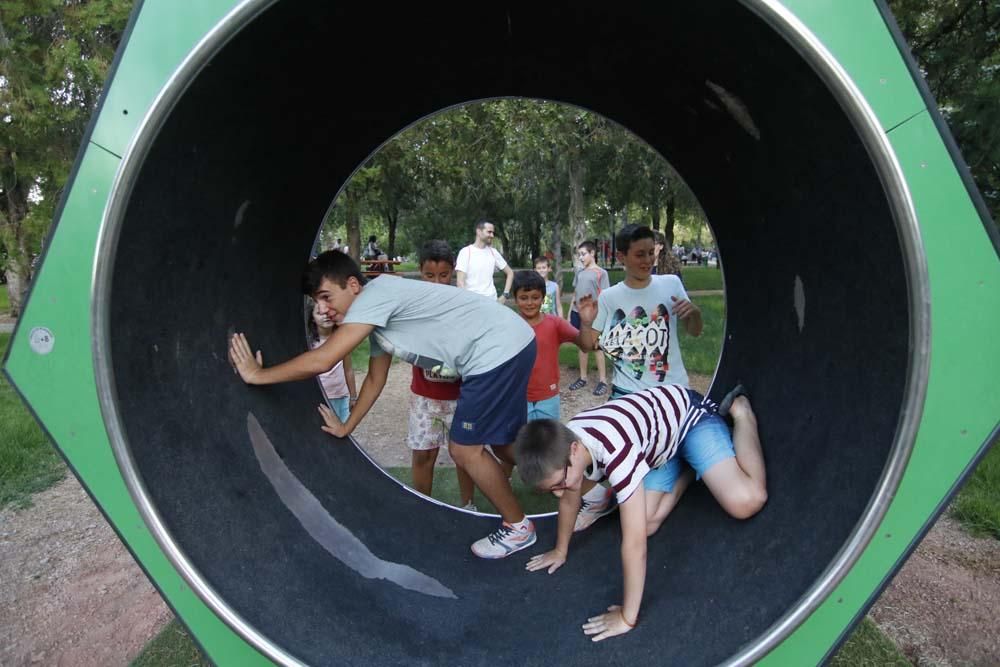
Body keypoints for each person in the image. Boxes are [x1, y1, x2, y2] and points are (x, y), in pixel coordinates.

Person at [228, 249, 538, 559]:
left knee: (464, 450)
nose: (323, 309)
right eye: (316, 301)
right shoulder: (377, 312)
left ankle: (518, 528)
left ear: (352, 285)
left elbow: (323, 359)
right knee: (502, 444)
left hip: (495, 351)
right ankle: (575, 476)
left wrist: (258, 375)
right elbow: (376, 379)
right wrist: (348, 425)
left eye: (326, 297)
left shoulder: (376, 296)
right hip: (513, 342)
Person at [514, 384, 767, 642]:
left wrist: (627, 617)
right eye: (551, 490)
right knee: (645, 523)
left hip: (689, 420)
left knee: (747, 501)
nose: (559, 492)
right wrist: (560, 550)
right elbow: (569, 500)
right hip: (657, 452)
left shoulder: (615, 452)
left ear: (575, 451)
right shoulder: (566, 446)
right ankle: (691, 468)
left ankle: (741, 412)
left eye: (560, 483)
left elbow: (635, 545)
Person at [589, 224, 702, 398]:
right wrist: (586, 321)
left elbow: (694, 331)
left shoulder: (672, 283)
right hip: (627, 391)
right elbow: (589, 342)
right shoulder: (608, 296)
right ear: (621, 257)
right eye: (640, 255)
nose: (648, 260)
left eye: (651, 253)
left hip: (673, 387)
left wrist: (695, 313)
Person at [408, 240, 477, 511]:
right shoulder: (412, 308)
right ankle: (423, 507)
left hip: (461, 397)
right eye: (429, 275)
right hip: (424, 397)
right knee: (424, 454)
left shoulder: (465, 306)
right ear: (420, 272)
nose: (437, 282)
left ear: (452, 273)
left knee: (465, 456)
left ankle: (468, 505)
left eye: (443, 275)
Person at [510, 270, 597, 422]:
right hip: (517, 397)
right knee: (522, 443)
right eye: (524, 298)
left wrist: (586, 323)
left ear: (543, 298)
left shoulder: (555, 323)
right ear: (515, 299)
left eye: (535, 297)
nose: (530, 303)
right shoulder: (509, 325)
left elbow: (586, 346)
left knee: (549, 442)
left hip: (548, 397)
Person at [567, 241, 610, 396]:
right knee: (582, 346)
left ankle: (602, 381)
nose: (581, 257)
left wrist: (599, 315)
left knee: (597, 347)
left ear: (592, 253)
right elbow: (575, 293)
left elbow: (604, 296)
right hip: (577, 313)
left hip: (593, 315)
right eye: (579, 255)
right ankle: (583, 378)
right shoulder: (579, 272)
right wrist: (569, 313)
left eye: (583, 254)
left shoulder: (601, 273)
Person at [307, 299, 357, 422]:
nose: (325, 316)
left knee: (343, 427)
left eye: (328, 311)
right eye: (319, 313)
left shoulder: (342, 340)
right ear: (312, 318)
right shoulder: (309, 345)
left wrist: (353, 396)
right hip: (320, 398)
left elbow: (348, 370)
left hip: (341, 396)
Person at [455, 219, 514, 303]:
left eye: (493, 233)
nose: (492, 235)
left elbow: (510, 273)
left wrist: (505, 295)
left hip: (492, 302)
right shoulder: (466, 252)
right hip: (472, 303)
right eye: (489, 232)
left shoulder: (493, 252)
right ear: (479, 232)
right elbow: (460, 282)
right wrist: (467, 302)